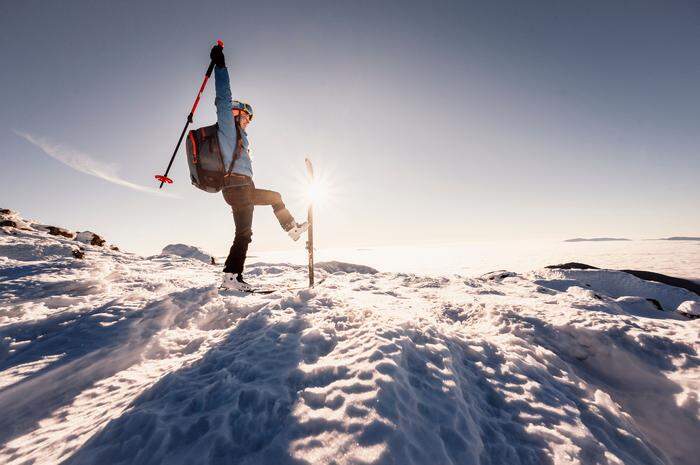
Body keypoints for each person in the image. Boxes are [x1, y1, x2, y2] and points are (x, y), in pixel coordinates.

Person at [210, 44, 308, 291]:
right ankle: (292, 229)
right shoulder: (227, 131)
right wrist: (221, 66)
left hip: (241, 187)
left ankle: (230, 277)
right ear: (233, 115)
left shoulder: (240, 137)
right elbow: (223, 98)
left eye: (248, 119)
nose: (245, 121)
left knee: (244, 233)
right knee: (275, 198)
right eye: (243, 116)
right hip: (237, 186)